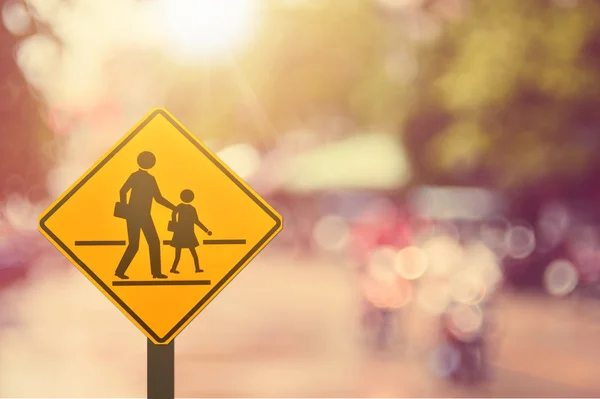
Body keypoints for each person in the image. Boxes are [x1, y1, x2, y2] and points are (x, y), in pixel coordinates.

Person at [114, 151, 174, 280]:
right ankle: (122, 271)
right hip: (138, 215)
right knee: (141, 244)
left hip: (140, 215)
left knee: (148, 243)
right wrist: (126, 209)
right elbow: (158, 198)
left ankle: (155, 273)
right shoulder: (144, 178)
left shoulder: (140, 177)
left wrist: (173, 208)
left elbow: (157, 198)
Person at [169, 189, 212, 274]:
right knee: (180, 253)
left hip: (187, 233)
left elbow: (196, 221)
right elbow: (174, 213)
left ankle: (197, 268)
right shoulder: (181, 207)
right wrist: (175, 223)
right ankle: (173, 269)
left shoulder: (190, 208)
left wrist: (206, 230)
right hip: (182, 233)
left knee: (191, 252)